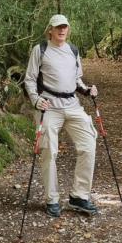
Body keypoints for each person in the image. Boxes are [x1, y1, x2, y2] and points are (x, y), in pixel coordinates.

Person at [24, 14, 99, 217]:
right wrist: (36, 99)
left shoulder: (73, 50)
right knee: (49, 150)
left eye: (65, 27)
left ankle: (80, 196)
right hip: (49, 106)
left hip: (73, 105)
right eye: (58, 27)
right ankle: (52, 198)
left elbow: (77, 79)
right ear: (50, 30)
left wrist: (87, 89)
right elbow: (30, 79)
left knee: (89, 144)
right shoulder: (40, 50)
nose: (61, 30)